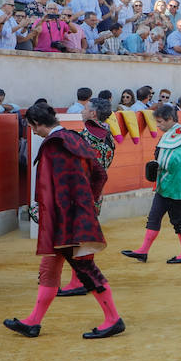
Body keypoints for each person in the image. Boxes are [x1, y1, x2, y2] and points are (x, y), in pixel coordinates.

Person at [4, 103, 125, 339]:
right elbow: (100, 174)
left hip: (65, 221)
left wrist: (63, 213)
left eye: (32, 127)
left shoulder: (53, 146)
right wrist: (87, 201)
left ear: (37, 124)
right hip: (75, 216)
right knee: (49, 268)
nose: (34, 132)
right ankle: (33, 322)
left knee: (85, 269)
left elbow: (56, 189)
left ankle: (113, 319)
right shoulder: (75, 137)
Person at [122, 103, 181, 264]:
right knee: (154, 217)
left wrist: (159, 166)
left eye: (160, 122)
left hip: (175, 185)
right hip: (165, 184)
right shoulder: (172, 133)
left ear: (170, 119)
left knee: (177, 220)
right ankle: (143, 251)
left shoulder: (180, 134)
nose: (157, 126)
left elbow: (177, 160)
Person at [57, 96, 116, 297]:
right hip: (94, 194)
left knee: (78, 238)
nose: (82, 112)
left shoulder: (89, 136)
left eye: (85, 109)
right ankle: (79, 280)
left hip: (84, 193)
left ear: (93, 113)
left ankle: (80, 281)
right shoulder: (106, 133)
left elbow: (86, 169)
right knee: (82, 237)